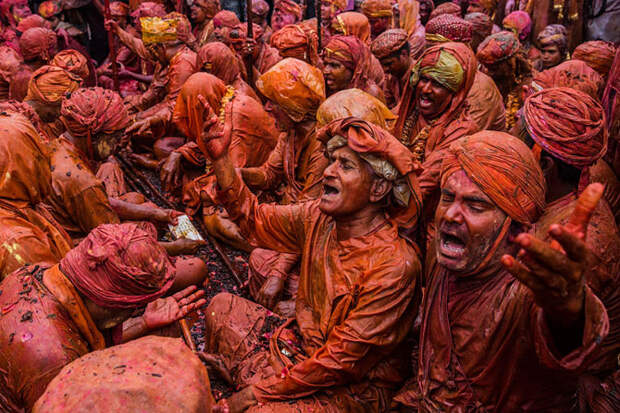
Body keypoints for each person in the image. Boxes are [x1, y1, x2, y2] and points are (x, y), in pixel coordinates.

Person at [201, 117, 422, 412]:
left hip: (353, 387)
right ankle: (263, 379)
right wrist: (221, 158)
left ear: (378, 189)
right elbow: (254, 221)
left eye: (345, 165)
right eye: (332, 161)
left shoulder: (396, 265)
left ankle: (258, 380)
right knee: (222, 307)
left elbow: (340, 363)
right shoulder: (319, 218)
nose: (328, 172)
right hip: (302, 348)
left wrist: (256, 395)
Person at [394, 131, 609, 411]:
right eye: (448, 198)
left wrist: (569, 308)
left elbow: (562, 337)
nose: (449, 215)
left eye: (475, 205)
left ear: (514, 226)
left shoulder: (524, 292)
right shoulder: (447, 260)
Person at [0, 222, 206, 411]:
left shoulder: (36, 273)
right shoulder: (57, 362)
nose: (133, 313)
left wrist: (143, 323)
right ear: (110, 307)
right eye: (133, 308)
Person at [248, 88, 397, 310]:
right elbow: (297, 211)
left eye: (345, 163)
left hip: (346, 288)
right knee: (259, 256)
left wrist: (301, 307)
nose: (330, 171)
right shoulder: (320, 151)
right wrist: (230, 170)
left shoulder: (359, 174)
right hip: (314, 246)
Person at [522, 87, 620, 411]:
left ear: (545, 164)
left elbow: (551, 340)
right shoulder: (551, 200)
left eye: (522, 149)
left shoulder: (581, 238)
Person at [393, 42, 479, 219]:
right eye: (424, 79)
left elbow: (423, 183)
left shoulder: (462, 130)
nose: (425, 89)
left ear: (455, 93)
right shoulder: (406, 113)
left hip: (429, 220)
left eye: (437, 84)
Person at [0, 111, 73, 279]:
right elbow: (54, 292)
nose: (46, 160)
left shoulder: (17, 200)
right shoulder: (17, 242)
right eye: (38, 155)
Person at [106, 12, 197, 142]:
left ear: (160, 46)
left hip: (179, 120)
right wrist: (118, 31)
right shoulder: (165, 56)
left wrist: (140, 117)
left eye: (152, 50)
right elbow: (139, 47)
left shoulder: (183, 63)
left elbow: (173, 107)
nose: (150, 55)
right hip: (162, 110)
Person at [477, 31, 532, 131]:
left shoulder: (529, 87)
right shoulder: (480, 76)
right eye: (484, 66)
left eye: (493, 68)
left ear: (511, 64)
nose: (486, 71)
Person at [24, 65, 83, 139]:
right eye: (59, 106)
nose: (61, 112)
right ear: (46, 101)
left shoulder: (43, 123)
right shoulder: (21, 127)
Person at [323, 35, 385, 101]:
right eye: (325, 64)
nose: (325, 71)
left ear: (354, 69)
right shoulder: (325, 89)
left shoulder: (369, 95)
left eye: (334, 65)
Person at [371, 28, 415, 108]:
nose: (385, 70)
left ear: (404, 54)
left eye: (389, 64)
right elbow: (388, 104)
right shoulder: (390, 78)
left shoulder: (419, 77)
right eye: (382, 65)